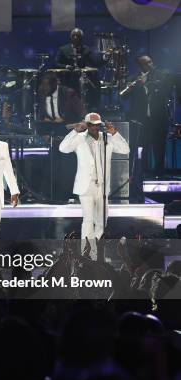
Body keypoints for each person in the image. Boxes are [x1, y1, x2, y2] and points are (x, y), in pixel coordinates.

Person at [59, 112, 130, 242]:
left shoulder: (108, 138)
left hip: (102, 187)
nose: (94, 128)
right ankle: (87, 252)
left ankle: (96, 248)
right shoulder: (79, 139)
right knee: (88, 219)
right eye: (91, 125)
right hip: (86, 186)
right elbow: (63, 148)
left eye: (97, 125)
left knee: (102, 220)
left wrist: (114, 133)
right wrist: (75, 131)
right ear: (86, 125)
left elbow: (125, 149)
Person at [120, 55, 172, 177]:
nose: (150, 65)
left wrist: (146, 83)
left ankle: (159, 173)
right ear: (140, 66)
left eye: (150, 62)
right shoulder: (134, 78)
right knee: (141, 146)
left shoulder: (161, 74)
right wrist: (132, 86)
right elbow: (123, 96)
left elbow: (165, 88)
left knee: (159, 147)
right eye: (146, 63)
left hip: (158, 118)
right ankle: (142, 172)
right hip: (141, 120)